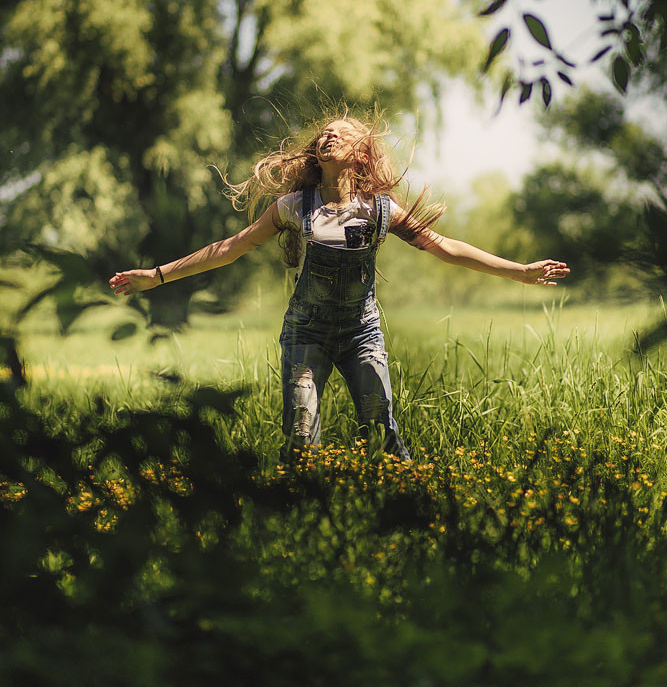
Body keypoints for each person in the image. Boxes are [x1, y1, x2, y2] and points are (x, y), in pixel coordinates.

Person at [109, 113, 570, 461]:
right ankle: (305, 513)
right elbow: (229, 248)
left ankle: (404, 505)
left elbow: (444, 246)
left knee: (380, 426)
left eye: (342, 133)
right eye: (324, 133)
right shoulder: (293, 206)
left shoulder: (381, 211)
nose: (328, 136)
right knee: (302, 434)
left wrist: (519, 272)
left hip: (361, 334)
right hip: (305, 335)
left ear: (362, 153)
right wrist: (158, 275)